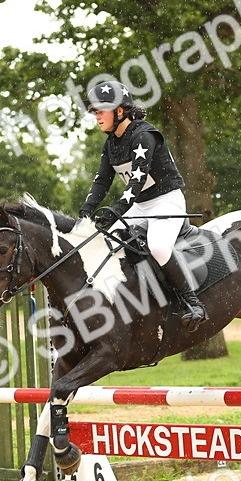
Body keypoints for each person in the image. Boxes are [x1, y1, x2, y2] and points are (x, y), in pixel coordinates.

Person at [78, 80, 207, 331]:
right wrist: (85, 211)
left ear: (120, 111)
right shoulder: (111, 144)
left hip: (166, 201)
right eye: (95, 110)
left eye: (101, 109)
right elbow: (102, 181)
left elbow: (136, 183)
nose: (96, 115)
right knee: (107, 243)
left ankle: (193, 302)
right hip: (140, 205)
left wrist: (116, 211)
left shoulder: (143, 136)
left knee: (158, 247)